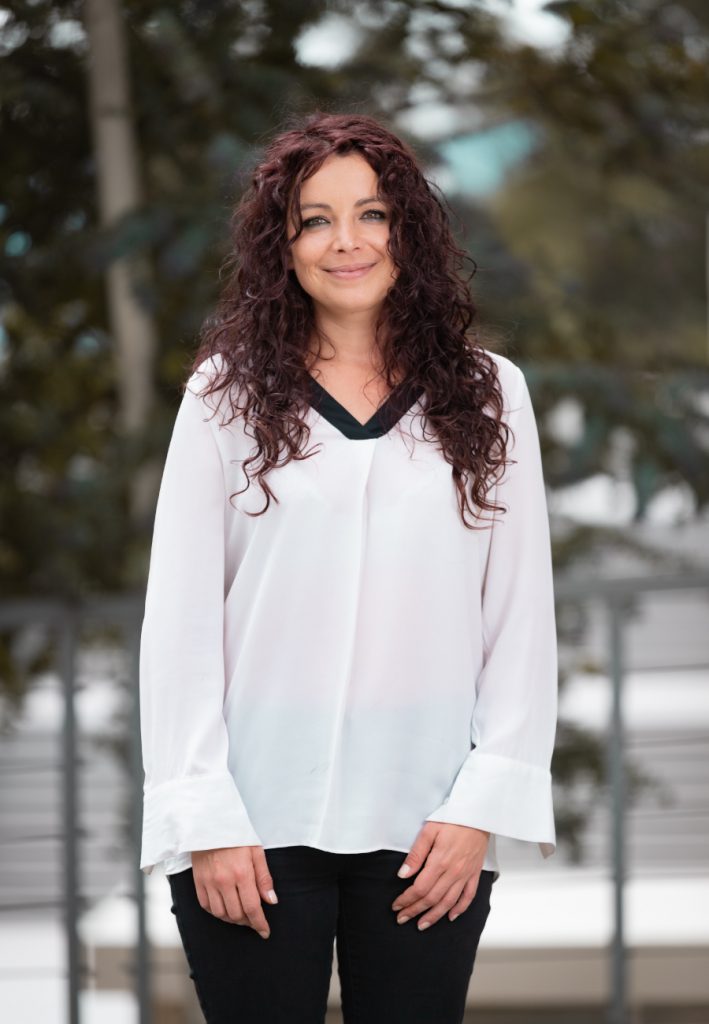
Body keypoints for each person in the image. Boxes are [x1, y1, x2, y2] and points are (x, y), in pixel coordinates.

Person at [139, 110, 558, 1024]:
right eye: (314, 220)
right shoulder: (223, 397)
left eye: (372, 214)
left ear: (409, 231)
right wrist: (203, 815)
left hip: (429, 828)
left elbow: (520, 617)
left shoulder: (491, 395)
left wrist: (479, 808)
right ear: (279, 246)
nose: (347, 241)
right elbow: (178, 624)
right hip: (250, 825)